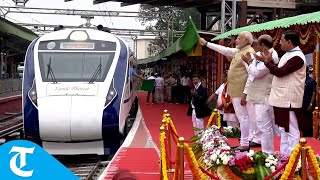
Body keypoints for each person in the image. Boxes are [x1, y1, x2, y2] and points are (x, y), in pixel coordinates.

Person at [199, 31, 255, 151]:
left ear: (246, 41)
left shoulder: (248, 53)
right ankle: (245, 141)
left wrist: (245, 92)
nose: (236, 40)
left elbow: (252, 74)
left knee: (243, 117)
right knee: (242, 117)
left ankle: (245, 143)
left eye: (239, 38)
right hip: (236, 89)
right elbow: (224, 50)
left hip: (241, 90)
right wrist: (207, 44)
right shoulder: (240, 51)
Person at [255, 30, 306, 154]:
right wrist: (269, 61)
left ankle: (293, 158)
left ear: (289, 42)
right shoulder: (288, 54)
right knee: (284, 129)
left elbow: (280, 72)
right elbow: (279, 69)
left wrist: (266, 62)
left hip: (289, 99)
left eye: (282, 40)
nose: (280, 42)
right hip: (282, 98)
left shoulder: (297, 57)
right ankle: (285, 156)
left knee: (292, 130)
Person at [242, 34, 280, 154]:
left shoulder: (272, 55)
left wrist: (246, 63)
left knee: (264, 126)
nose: (256, 47)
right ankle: (267, 152)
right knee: (262, 125)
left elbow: (257, 73)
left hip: (265, 95)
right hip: (258, 95)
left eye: (257, 44)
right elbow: (252, 74)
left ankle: (268, 153)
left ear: (262, 45)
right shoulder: (260, 55)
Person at [301, 65, 317, 137]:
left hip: (309, 105)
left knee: (309, 121)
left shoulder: (311, 81)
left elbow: (314, 93)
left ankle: (310, 135)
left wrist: (311, 104)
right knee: (303, 121)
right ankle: (304, 135)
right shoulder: (301, 80)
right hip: (302, 104)